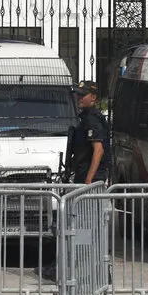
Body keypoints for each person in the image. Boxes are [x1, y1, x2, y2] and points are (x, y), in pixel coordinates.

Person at [38, 80, 112, 282]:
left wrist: (87, 180)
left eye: (83, 95)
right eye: (78, 95)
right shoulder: (86, 118)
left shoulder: (92, 120)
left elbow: (98, 150)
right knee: (81, 226)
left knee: (84, 226)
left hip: (89, 181)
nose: (79, 98)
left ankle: (90, 271)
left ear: (94, 97)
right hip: (84, 178)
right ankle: (75, 267)